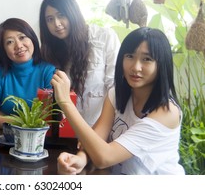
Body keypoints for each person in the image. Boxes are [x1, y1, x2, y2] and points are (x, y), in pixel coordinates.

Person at [53, 27, 185, 175]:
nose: (135, 67)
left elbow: (105, 157)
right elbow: (96, 138)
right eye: (129, 56)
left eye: (147, 59)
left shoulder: (166, 112)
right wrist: (81, 159)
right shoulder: (117, 95)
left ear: (161, 65)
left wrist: (65, 102)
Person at [39, 0, 120, 127]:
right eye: (50, 19)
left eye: (61, 15)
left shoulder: (104, 37)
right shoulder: (50, 53)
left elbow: (115, 88)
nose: (57, 24)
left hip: (102, 130)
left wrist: (98, 131)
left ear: (73, 13)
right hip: (68, 132)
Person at [0, 18, 56, 129]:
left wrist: (4, 118)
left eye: (22, 37)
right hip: (7, 140)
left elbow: (50, 118)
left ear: (32, 38)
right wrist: (22, 122)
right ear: (3, 49)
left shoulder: (48, 72)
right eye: (9, 42)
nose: (18, 46)